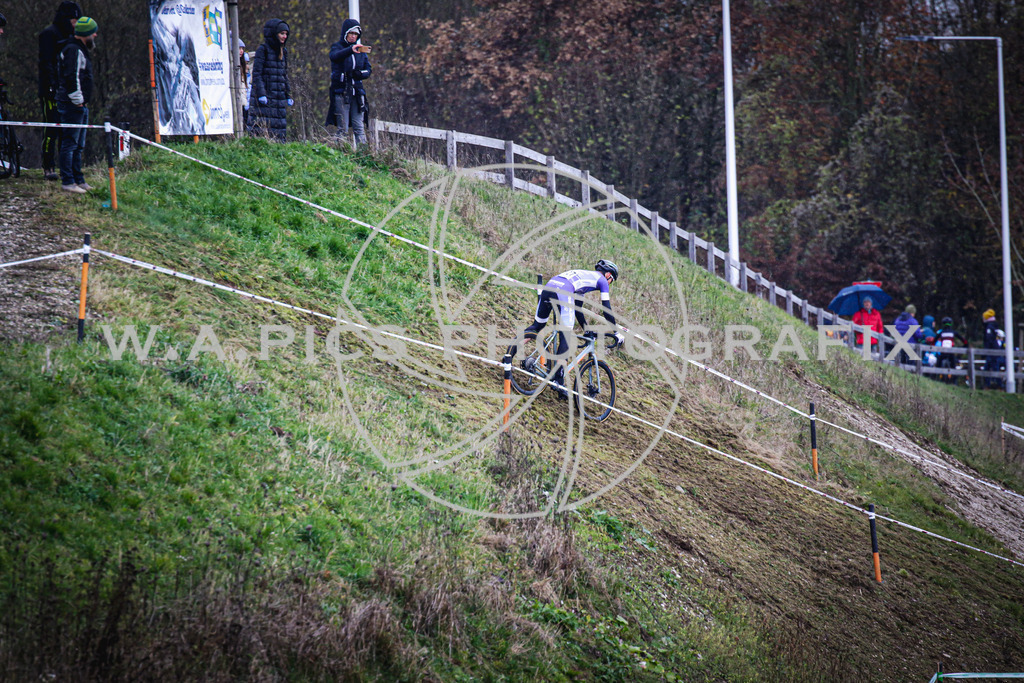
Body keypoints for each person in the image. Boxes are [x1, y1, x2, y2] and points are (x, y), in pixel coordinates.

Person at [507, 261, 625, 397]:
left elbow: (578, 308)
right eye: (612, 280)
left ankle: (508, 356)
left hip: (550, 285)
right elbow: (606, 308)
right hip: (564, 291)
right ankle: (558, 380)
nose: (610, 283)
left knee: (537, 326)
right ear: (608, 274)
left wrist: (586, 329)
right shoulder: (602, 281)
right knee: (567, 335)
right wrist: (616, 331)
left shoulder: (584, 280)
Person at [38, 1, 82, 181]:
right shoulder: (48, 34)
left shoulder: (73, 38)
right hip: (50, 90)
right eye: (74, 20)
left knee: (67, 131)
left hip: (67, 90)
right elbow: (46, 63)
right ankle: (48, 165)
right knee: (51, 128)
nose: (76, 24)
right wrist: (50, 86)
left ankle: (67, 168)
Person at [56, 16, 97, 194]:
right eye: (93, 32)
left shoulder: (80, 49)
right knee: (70, 144)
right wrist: (78, 100)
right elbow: (72, 78)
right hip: (73, 104)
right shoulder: (73, 50)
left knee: (78, 145)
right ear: (85, 34)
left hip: (80, 104)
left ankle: (78, 179)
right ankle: (68, 181)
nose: (95, 35)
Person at [325, 18, 371, 146]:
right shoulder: (337, 47)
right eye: (351, 33)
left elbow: (368, 70)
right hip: (342, 92)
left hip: (357, 93)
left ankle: (365, 156)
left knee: (359, 128)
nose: (353, 36)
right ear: (345, 33)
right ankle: (340, 155)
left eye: (356, 34)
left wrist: (359, 74)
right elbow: (334, 56)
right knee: (343, 128)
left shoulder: (361, 51)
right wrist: (351, 50)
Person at [248, 18, 292, 141]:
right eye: (282, 33)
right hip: (266, 97)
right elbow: (257, 74)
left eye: (286, 34)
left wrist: (288, 94)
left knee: (279, 130)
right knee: (262, 127)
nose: (284, 36)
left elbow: (284, 74)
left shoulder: (284, 52)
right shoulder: (263, 50)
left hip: (279, 97)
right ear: (274, 34)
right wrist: (261, 94)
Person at [935, 317, 969, 384]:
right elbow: (963, 340)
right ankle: (954, 382)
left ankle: (936, 379)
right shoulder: (953, 332)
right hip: (951, 353)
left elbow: (933, 341)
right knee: (953, 367)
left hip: (943, 353)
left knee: (938, 365)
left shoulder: (941, 333)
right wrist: (965, 345)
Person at [982, 308, 1002, 388]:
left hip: (991, 351)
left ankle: (990, 385)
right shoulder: (994, 325)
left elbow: (988, 339)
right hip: (995, 350)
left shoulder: (989, 327)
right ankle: (998, 385)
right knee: (995, 368)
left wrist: (985, 351)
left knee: (988, 368)